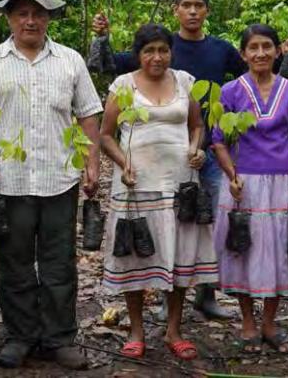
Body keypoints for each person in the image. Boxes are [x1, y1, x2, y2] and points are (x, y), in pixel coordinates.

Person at [90, 0, 288, 319]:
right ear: (175, 9)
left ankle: (206, 295)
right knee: (170, 222)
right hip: (165, 156)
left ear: (207, 10)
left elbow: (258, 73)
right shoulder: (161, 46)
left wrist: (284, 54)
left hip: (212, 149)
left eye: (199, 6)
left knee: (206, 223)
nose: (193, 11)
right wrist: (102, 38)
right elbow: (110, 65)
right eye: (186, 5)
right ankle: (167, 296)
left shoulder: (220, 50)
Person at [0, 0, 102, 370]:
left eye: (38, 13)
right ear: (9, 18)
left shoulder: (70, 61)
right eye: (22, 13)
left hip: (60, 177)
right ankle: (21, 335)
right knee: (14, 262)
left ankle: (60, 337)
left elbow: (89, 114)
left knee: (60, 262)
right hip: (9, 180)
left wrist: (92, 162)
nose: (30, 20)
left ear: (48, 18)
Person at [99, 24, 217, 361]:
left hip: (180, 184)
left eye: (163, 50)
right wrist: (124, 163)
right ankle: (136, 332)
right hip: (136, 184)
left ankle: (174, 330)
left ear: (171, 52)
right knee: (135, 254)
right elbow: (107, 135)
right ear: (138, 53)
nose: (156, 57)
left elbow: (196, 125)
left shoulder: (184, 81)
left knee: (179, 257)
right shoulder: (123, 85)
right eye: (149, 50)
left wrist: (197, 147)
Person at [212, 24, 288, 354]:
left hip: (282, 184)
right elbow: (218, 141)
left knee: (277, 250)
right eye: (253, 48)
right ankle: (247, 323)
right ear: (243, 54)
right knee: (243, 247)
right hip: (243, 183)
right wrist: (231, 175)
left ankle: (270, 323)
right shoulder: (230, 91)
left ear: (277, 51)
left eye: (267, 47)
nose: (260, 53)